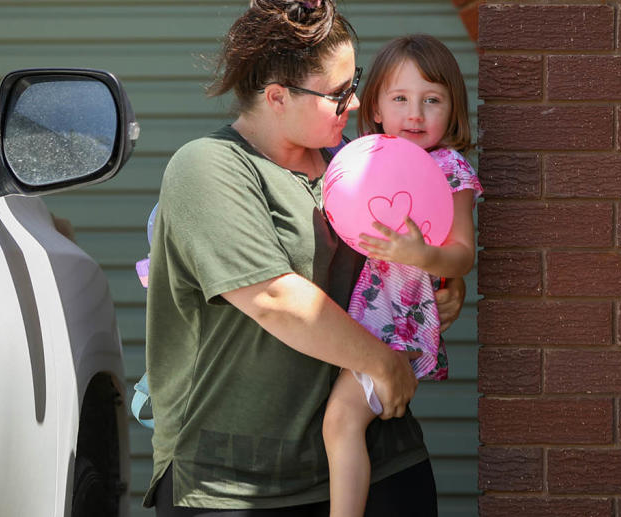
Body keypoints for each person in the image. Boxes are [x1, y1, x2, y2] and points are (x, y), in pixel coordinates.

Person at [143, 2, 461, 516]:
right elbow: (275, 299)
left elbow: (416, 250)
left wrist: (444, 282)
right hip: (240, 487)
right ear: (277, 97)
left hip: (381, 464)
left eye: (354, 83)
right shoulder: (208, 167)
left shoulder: (357, 164)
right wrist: (383, 362)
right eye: (338, 94)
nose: (356, 104)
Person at [322, 34, 482, 517]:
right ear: (374, 107)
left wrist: (423, 255)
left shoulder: (449, 169)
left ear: (452, 111)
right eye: (401, 99)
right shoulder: (363, 160)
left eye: (431, 100)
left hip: (399, 321)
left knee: (342, 421)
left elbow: (462, 255)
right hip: (366, 313)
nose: (415, 114)